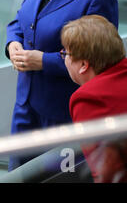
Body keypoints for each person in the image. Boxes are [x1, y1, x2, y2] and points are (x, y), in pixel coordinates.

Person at [5, 0, 119, 171]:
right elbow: (21, 19)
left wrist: (42, 61)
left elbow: (99, 65)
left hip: (61, 117)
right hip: (25, 106)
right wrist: (12, 43)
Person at [61, 15, 127, 183]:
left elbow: (107, 172)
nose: (64, 59)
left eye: (65, 53)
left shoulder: (87, 99)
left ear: (83, 65)